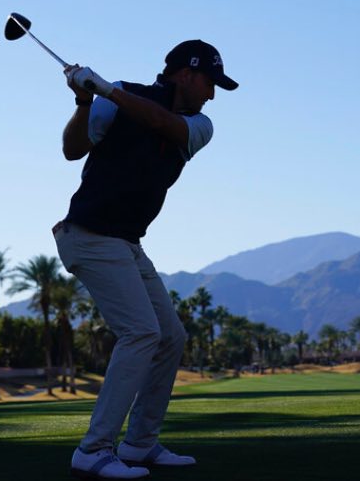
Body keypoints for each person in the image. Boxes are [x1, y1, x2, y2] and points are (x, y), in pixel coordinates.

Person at [54, 40, 237, 480]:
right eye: (210, 83)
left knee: (170, 335)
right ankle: (94, 450)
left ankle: (138, 444)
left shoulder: (198, 125)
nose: (213, 95)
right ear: (186, 74)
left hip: (126, 242)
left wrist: (105, 89)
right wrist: (84, 102)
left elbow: (163, 124)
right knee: (141, 332)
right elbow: (72, 149)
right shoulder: (115, 98)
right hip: (90, 235)